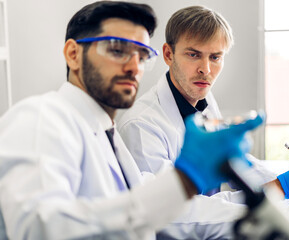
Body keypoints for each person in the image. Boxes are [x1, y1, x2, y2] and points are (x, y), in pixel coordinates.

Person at [0, 2, 265, 239]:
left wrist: (267, 213)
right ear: (73, 54)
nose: (134, 66)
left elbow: (167, 213)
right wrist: (184, 180)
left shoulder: (108, 137)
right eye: (117, 50)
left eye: (141, 55)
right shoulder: (41, 118)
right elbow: (38, 230)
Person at [117, 5, 289, 236]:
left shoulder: (204, 97)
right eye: (193, 54)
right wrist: (280, 189)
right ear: (168, 54)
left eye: (216, 57)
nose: (206, 69)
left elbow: (234, 163)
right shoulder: (141, 125)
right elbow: (175, 214)